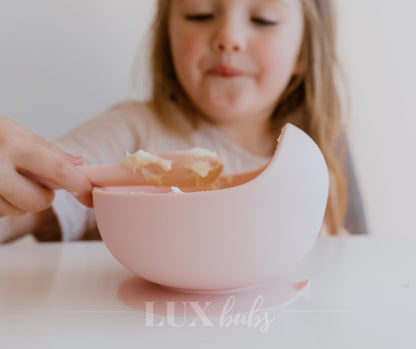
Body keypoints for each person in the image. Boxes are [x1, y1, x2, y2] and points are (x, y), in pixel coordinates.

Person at [0, 0, 368, 243]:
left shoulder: (325, 146)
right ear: (168, 33)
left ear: (304, 51)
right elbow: (24, 202)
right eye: (200, 13)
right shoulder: (130, 132)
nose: (228, 38)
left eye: (263, 19)